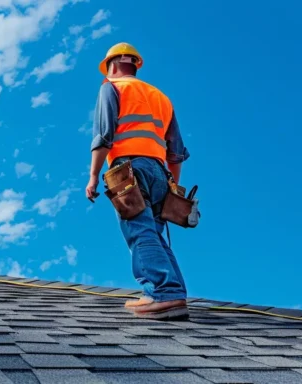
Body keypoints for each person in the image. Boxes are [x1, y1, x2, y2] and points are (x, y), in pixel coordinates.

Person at [86, 42, 191, 320]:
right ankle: (174, 293)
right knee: (154, 233)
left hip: (128, 167)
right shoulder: (161, 97)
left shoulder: (112, 87)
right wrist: (173, 189)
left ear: (116, 62)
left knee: (139, 230)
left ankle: (162, 293)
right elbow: (177, 152)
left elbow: (104, 135)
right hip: (159, 172)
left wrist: (94, 175)